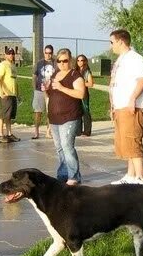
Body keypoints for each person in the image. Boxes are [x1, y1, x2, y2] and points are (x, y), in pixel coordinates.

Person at [108, 29, 143, 185]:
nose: (111, 45)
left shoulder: (135, 58)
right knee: (126, 143)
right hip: (121, 107)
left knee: (133, 140)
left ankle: (140, 178)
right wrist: (113, 105)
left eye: (112, 42)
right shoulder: (121, 59)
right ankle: (130, 175)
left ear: (120, 41)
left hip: (132, 107)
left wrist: (132, 99)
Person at [47, 48, 85, 185]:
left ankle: (74, 176)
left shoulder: (75, 75)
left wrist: (62, 87)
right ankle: (63, 173)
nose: (62, 63)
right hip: (54, 118)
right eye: (59, 61)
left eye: (65, 61)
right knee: (59, 147)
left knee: (67, 146)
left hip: (69, 116)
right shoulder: (55, 75)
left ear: (71, 60)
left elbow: (81, 94)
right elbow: (50, 97)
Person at [0, 48, 20, 143]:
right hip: (5, 94)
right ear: (5, 55)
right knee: (2, 115)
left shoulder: (13, 66)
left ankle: (9, 134)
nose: (11, 55)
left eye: (13, 53)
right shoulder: (2, 65)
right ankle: (1, 135)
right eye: (9, 53)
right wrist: (1, 92)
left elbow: (15, 81)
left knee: (9, 116)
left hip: (12, 94)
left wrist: (18, 93)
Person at [31, 44, 55, 140]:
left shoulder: (55, 63)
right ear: (44, 52)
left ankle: (48, 131)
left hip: (51, 91)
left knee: (50, 112)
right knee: (38, 111)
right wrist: (34, 88)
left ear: (52, 53)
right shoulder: (39, 63)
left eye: (50, 53)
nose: (48, 55)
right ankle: (36, 132)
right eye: (46, 53)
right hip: (39, 90)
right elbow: (34, 76)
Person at [76, 54, 95, 136]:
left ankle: (87, 131)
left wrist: (81, 83)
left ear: (85, 61)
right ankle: (78, 131)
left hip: (84, 93)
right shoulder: (75, 71)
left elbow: (91, 84)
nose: (80, 62)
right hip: (76, 92)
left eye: (82, 60)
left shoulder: (87, 72)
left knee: (85, 111)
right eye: (78, 60)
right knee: (77, 111)